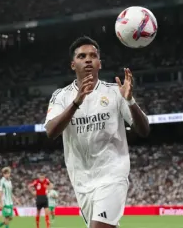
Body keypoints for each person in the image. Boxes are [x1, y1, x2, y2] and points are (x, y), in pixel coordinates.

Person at [44, 36, 150, 228]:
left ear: (99, 63)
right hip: (82, 181)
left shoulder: (115, 92)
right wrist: (76, 102)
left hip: (113, 175)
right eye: (82, 56)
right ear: (72, 64)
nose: (88, 60)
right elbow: (51, 131)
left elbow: (143, 129)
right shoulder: (61, 96)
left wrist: (130, 101)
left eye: (93, 56)